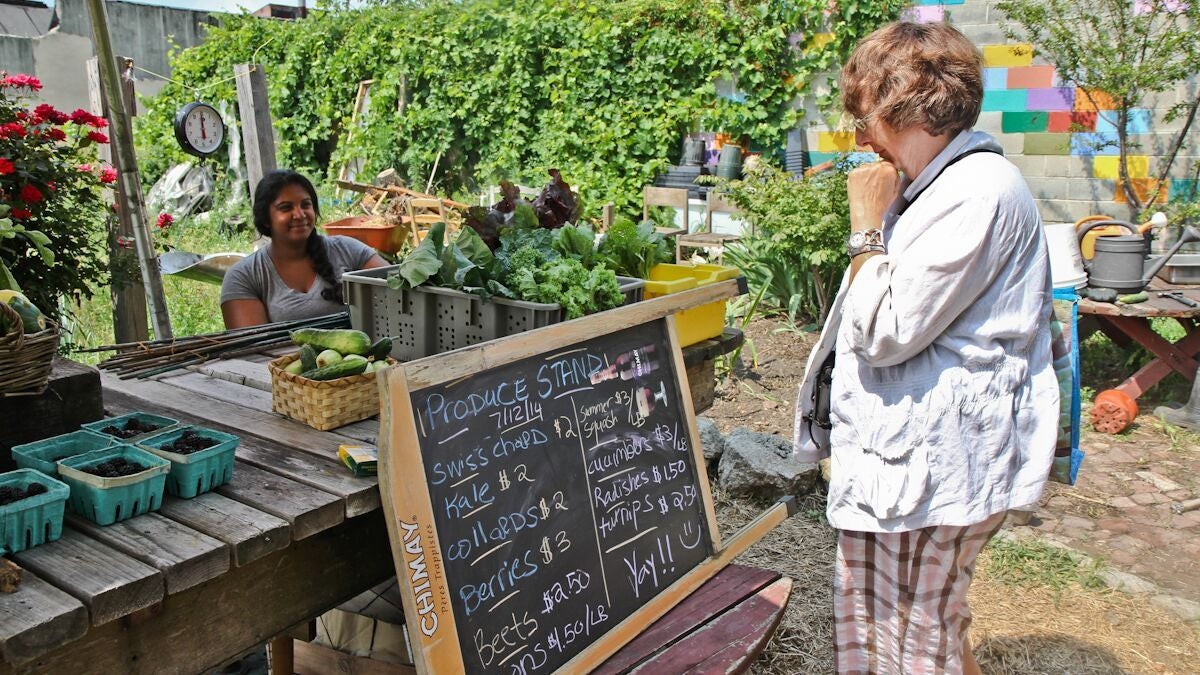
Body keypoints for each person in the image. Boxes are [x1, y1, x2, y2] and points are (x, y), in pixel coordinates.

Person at [793, 22, 1059, 674]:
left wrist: (864, 229)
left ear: (908, 109)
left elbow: (883, 328)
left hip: (936, 469)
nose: (859, 138)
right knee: (929, 621)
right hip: (922, 462)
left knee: (909, 643)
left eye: (867, 118)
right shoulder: (946, 186)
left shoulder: (975, 192)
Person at [221, 170, 388, 329]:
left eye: (305, 205)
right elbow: (253, 351)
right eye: (286, 208)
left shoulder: (347, 250)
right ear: (265, 218)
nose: (300, 214)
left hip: (362, 358)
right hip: (284, 360)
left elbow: (396, 286)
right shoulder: (244, 276)